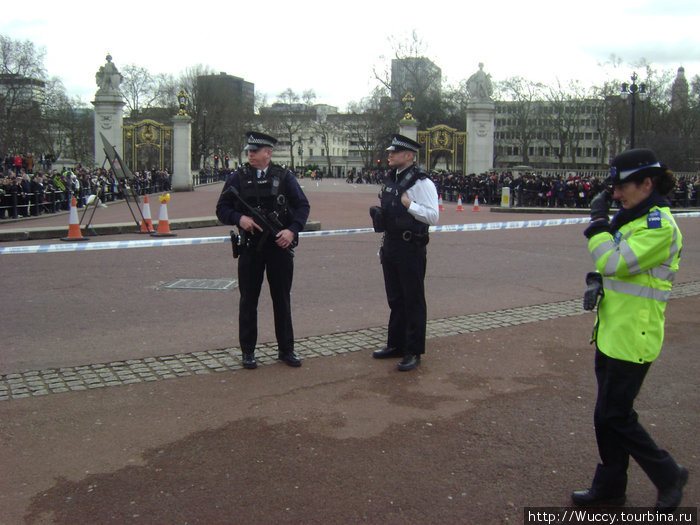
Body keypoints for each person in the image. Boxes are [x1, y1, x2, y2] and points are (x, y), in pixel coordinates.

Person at [572, 148, 688, 511]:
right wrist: (596, 280)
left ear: (647, 183)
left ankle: (669, 474)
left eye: (623, 187)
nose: (617, 194)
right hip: (611, 330)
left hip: (635, 334)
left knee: (616, 415)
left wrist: (597, 224)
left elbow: (614, 260)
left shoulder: (659, 226)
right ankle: (609, 486)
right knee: (604, 414)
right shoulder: (632, 218)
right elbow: (611, 269)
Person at [216, 131, 310, 370]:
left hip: (279, 247)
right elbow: (221, 208)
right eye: (249, 150)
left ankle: (286, 349)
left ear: (268, 153)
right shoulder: (238, 177)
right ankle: (248, 351)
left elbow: (302, 206)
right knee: (248, 300)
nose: (250, 154)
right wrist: (239, 218)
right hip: (250, 248)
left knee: (282, 299)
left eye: (255, 151)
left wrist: (292, 231)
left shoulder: (284, 176)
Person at [371, 134, 439, 371]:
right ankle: (396, 344)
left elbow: (433, 216)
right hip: (391, 244)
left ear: (408, 156)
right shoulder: (391, 179)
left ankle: (413, 350)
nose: (389, 155)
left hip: (411, 247)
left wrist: (411, 206)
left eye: (395, 152)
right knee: (395, 298)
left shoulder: (422, 183)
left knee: (413, 300)